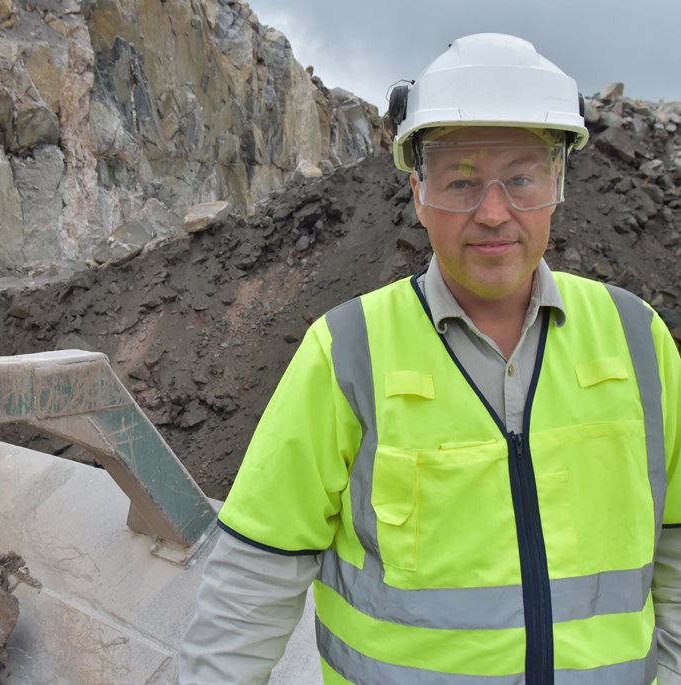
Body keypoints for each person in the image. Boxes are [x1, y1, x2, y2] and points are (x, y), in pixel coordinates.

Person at [179, 33, 681, 685]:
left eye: (523, 178)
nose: (494, 212)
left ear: (559, 182)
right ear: (418, 191)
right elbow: (254, 577)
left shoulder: (637, 338)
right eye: (461, 182)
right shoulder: (348, 351)